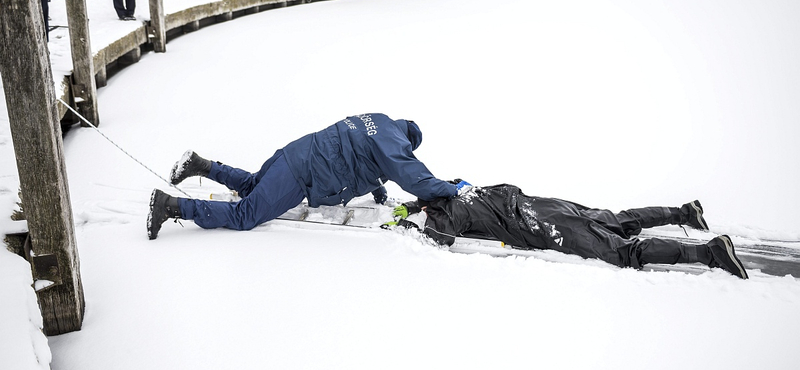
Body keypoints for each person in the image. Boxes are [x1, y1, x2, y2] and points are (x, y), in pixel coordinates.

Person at [147, 113, 471, 240]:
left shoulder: (378, 121)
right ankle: (171, 206)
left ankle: (200, 164)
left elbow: (359, 156)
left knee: (251, 186)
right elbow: (415, 177)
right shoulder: (394, 144)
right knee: (246, 215)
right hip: (302, 174)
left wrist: (379, 192)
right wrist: (451, 189)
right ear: (409, 141)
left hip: (296, 152)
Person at [387, 183, 749, 279]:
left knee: (622, 252)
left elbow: (438, 239)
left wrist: (406, 225)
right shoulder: (466, 190)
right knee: (616, 220)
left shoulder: (455, 208)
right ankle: (685, 212)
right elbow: (441, 203)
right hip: (551, 207)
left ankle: (709, 252)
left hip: (546, 225)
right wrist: (418, 207)